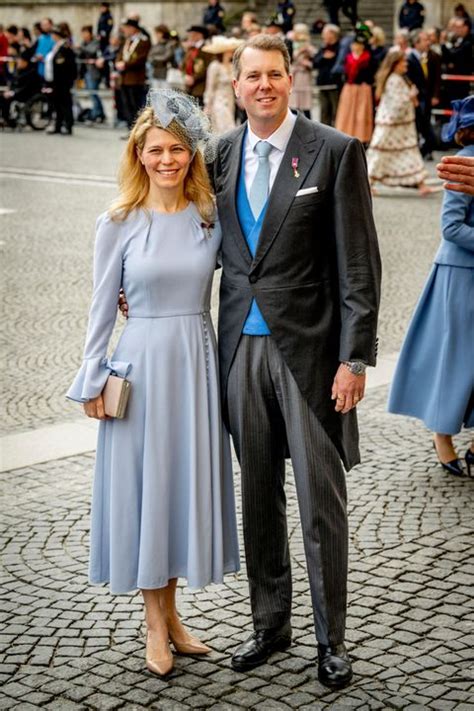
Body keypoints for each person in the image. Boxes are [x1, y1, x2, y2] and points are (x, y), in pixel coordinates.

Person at [214, 33, 381, 689]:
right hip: (238, 351)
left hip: (311, 353)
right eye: (252, 76)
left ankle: (331, 639)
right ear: (236, 86)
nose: (264, 86)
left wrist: (355, 357)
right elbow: (184, 226)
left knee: (320, 503)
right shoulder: (220, 154)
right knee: (256, 497)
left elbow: (359, 265)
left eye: (274, 75)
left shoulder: (334, 152)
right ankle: (269, 624)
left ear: (292, 79)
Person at [67, 88, 240, 676]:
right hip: (139, 368)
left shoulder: (208, 218)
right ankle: (154, 627)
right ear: (138, 155)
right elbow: (99, 308)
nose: (166, 160)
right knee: (147, 494)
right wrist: (91, 378)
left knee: (177, 490)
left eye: (176, 150)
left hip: (195, 364)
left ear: (191, 154)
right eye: (155, 150)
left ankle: (175, 618)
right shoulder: (116, 221)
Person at [388, 96, 474, 477]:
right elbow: (451, 228)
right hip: (461, 276)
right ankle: (443, 438)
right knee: (455, 362)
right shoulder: (464, 163)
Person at [367, 49, 432, 194]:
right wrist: (410, 95)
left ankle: (421, 184)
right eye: (403, 62)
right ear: (395, 64)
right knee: (380, 154)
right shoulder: (393, 80)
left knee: (410, 153)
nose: (406, 64)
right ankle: (369, 182)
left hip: (402, 126)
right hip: (391, 125)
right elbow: (396, 104)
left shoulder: (400, 78)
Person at [335, 31, 375, 144]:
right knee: (347, 112)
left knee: (361, 113)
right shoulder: (348, 58)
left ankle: (362, 136)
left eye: (358, 44)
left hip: (362, 88)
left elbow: (371, 72)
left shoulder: (367, 58)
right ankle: (345, 133)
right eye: (354, 44)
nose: (356, 47)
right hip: (350, 87)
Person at [203, 35, 243, 134]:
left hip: (230, 99)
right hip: (218, 100)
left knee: (229, 123)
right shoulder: (215, 66)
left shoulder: (232, 66)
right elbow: (210, 86)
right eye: (229, 50)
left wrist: (239, 98)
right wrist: (208, 104)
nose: (232, 51)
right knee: (225, 126)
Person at [115, 18, 151, 130]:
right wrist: (118, 62)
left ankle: (138, 130)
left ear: (133, 28)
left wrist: (125, 64)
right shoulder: (127, 41)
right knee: (127, 106)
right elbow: (120, 54)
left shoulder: (143, 41)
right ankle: (130, 129)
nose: (124, 30)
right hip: (124, 78)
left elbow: (140, 58)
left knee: (136, 106)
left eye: (126, 28)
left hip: (136, 79)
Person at [45, 25, 77, 135]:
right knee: (57, 103)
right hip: (54, 80)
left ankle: (68, 125)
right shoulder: (56, 46)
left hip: (63, 81)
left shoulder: (65, 47)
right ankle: (58, 124)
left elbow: (67, 66)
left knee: (65, 103)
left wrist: (69, 80)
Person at [0, 51, 41, 127]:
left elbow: (26, 87)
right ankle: (5, 117)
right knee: (2, 96)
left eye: (20, 61)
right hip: (17, 92)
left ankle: (8, 119)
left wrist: (13, 93)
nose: (18, 63)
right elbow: (14, 83)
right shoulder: (18, 71)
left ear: (25, 62)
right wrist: (9, 91)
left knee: (6, 99)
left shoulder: (31, 73)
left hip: (26, 94)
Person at [313, 23, 341, 126]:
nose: (323, 36)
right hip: (322, 83)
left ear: (333, 34)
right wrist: (324, 57)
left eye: (325, 34)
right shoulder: (323, 48)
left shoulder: (340, 47)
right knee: (324, 111)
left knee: (336, 110)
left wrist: (331, 58)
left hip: (334, 83)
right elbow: (315, 62)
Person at [77, 25, 106, 123]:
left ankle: (98, 114)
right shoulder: (84, 43)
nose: (84, 36)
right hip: (86, 71)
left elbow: (92, 51)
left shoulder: (95, 42)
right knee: (91, 93)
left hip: (94, 72)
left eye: (85, 33)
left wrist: (81, 48)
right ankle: (97, 112)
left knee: (94, 93)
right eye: (82, 33)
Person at [288, 23, 315, 119]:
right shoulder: (291, 43)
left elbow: (313, 56)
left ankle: (308, 122)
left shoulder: (308, 45)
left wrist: (306, 59)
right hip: (295, 74)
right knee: (294, 102)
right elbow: (291, 57)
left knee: (305, 102)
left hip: (303, 75)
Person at [182, 25, 211, 107]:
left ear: (199, 35)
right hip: (189, 87)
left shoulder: (207, 48)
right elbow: (184, 65)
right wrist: (185, 75)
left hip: (201, 87)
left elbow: (207, 68)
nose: (189, 37)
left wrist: (194, 78)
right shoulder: (191, 48)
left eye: (191, 34)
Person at [149, 25, 174, 90]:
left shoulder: (169, 44)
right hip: (155, 72)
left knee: (165, 95)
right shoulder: (156, 45)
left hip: (166, 73)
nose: (156, 35)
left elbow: (166, 57)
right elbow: (149, 57)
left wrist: (155, 58)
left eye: (158, 33)